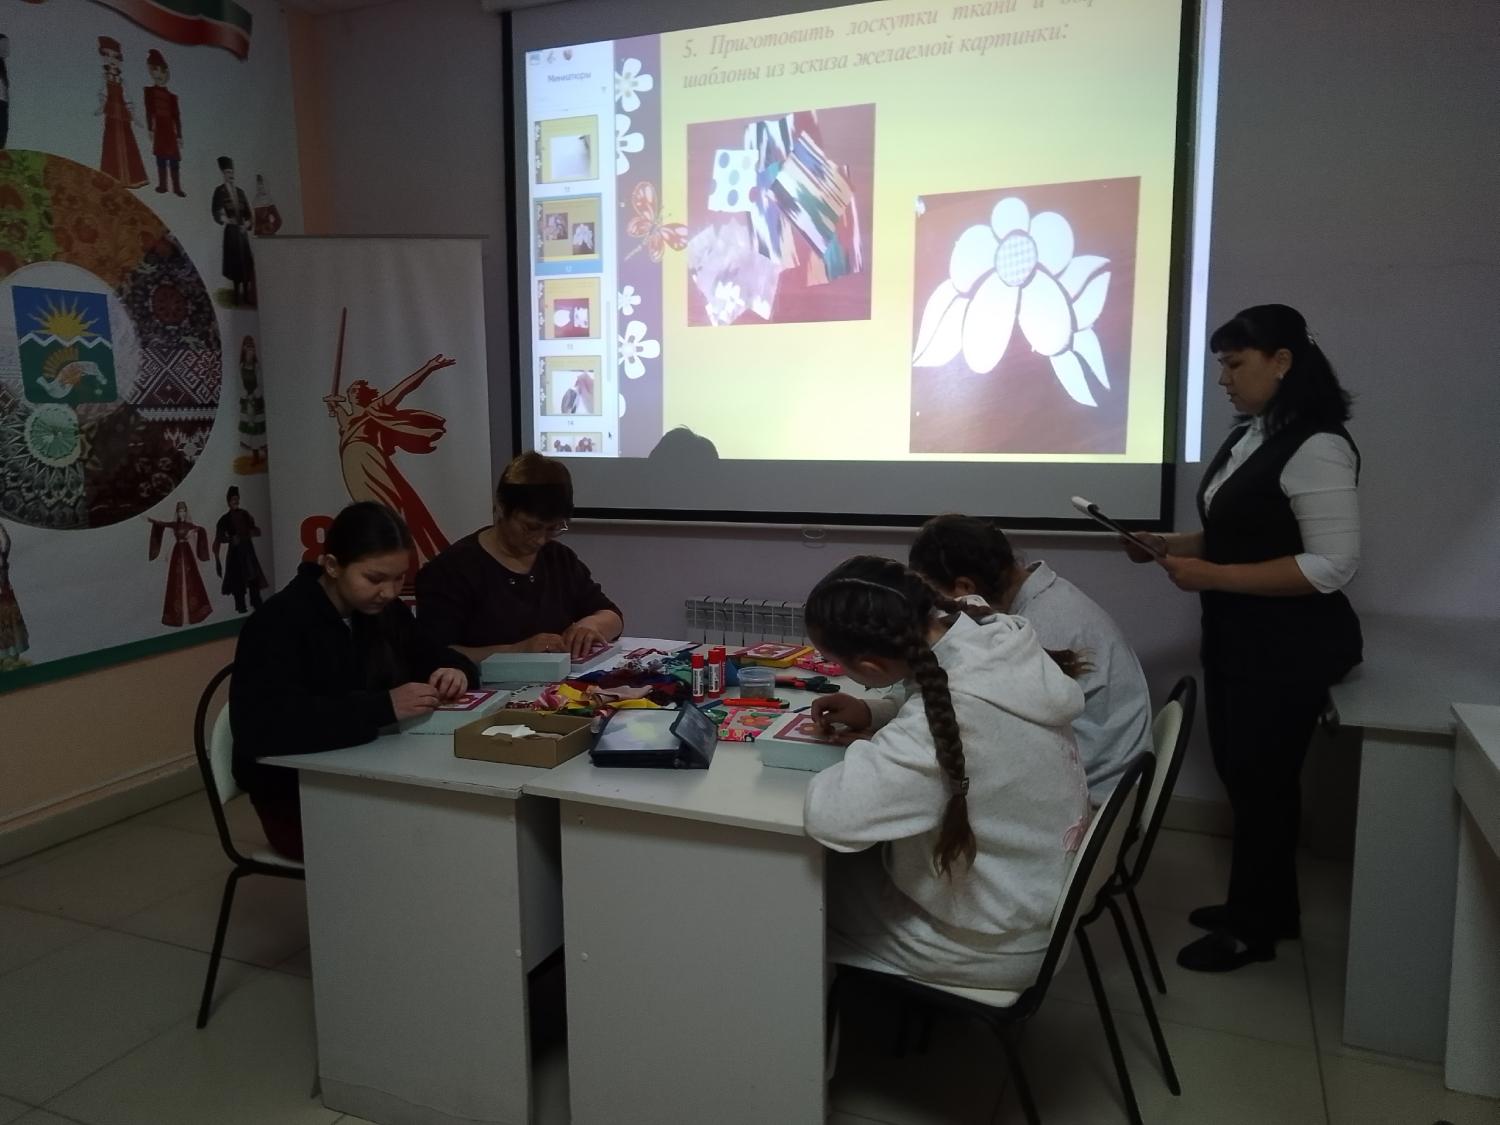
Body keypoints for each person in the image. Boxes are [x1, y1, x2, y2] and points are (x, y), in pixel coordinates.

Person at [1122, 303, 1361, 974]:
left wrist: (1214, 575)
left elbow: (1332, 565)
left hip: (1287, 651)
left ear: (1282, 361)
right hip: (1238, 641)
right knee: (1248, 780)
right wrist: (1170, 544)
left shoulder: (1317, 445)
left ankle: (1253, 930)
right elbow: (1238, 532)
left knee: (1263, 786)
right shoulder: (1252, 435)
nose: (1224, 379)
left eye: (1234, 364)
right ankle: (1268, 909)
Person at [802, 556, 1092, 989]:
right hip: (1029, 896)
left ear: (870, 668)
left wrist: (873, 747)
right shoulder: (989, 631)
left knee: (798, 895)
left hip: (988, 944)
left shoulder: (935, 728)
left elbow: (833, 818)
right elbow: (939, 693)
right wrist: (876, 713)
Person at [230, 502, 477, 861]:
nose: (389, 592)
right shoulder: (278, 623)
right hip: (297, 797)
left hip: (373, 773)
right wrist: (383, 707)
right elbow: (264, 727)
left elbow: (436, 654)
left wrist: (455, 671)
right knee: (436, 835)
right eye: (374, 579)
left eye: (398, 579)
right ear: (332, 566)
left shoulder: (382, 611)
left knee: (461, 816)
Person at [910, 514, 1152, 802]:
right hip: (1105, 770)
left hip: (1092, 792)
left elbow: (984, 726)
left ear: (964, 588)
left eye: (936, 597)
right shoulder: (1047, 596)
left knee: (923, 790)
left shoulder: (1039, 627)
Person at [415, 452, 622, 661]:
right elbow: (434, 653)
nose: (540, 540)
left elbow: (611, 615)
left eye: (553, 528)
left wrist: (590, 625)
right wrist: (516, 651)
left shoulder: (558, 559)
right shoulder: (452, 571)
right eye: (530, 527)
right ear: (501, 508)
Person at [146, 502, 211, 627]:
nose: (182, 513)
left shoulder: (189, 525)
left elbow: (199, 529)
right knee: (176, 579)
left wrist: (195, 531)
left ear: (186, 512)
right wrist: (152, 520)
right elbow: (163, 524)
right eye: (180, 511)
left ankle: (192, 613)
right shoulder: (174, 525)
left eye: (184, 511)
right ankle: (178, 615)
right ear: (177, 512)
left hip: (187, 552)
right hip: (177, 552)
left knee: (191, 578)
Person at [96, 37, 146, 188]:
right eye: (107, 55)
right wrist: (101, 107)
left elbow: (128, 98)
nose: (112, 60)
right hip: (112, 113)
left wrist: (134, 115)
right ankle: (114, 177)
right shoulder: (104, 77)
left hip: (123, 115)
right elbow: (103, 94)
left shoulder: (122, 81)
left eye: (115, 57)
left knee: (128, 142)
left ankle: (131, 178)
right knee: (111, 143)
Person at [213, 486, 267, 613]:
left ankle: (256, 602)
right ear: (229, 501)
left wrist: (252, 532)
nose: (235, 501)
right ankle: (241, 606)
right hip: (235, 553)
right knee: (237, 580)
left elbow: (254, 528)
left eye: (237, 499)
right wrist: (231, 539)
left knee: (253, 577)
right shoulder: (225, 519)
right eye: (233, 499)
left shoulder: (245, 514)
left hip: (247, 550)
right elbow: (220, 537)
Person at [211, 156, 254, 305]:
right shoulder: (220, 191)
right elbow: (216, 212)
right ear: (223, 173)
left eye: (232, 172)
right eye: (228, 172)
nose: (231, 175)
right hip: (231, 232)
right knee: (235, 265)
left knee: (246, 264)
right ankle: (236, 296)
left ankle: (246, 295)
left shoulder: (240, 192)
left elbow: (248, 213)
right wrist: (228, 220)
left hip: (242, 233)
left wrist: (246, 224)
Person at [142, 49, 184, 197]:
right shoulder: (149, 92)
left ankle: (177, 187)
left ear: (165, 72)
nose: (158, 74)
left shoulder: (172, 97)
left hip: (170, 131)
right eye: (154, 70)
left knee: (174, 159)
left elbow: (176, 117)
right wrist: (150, 129)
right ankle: (162, 185)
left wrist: (179, 136)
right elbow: (149, 111)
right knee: (160, 158)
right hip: (159, 129)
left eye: (161, 70)